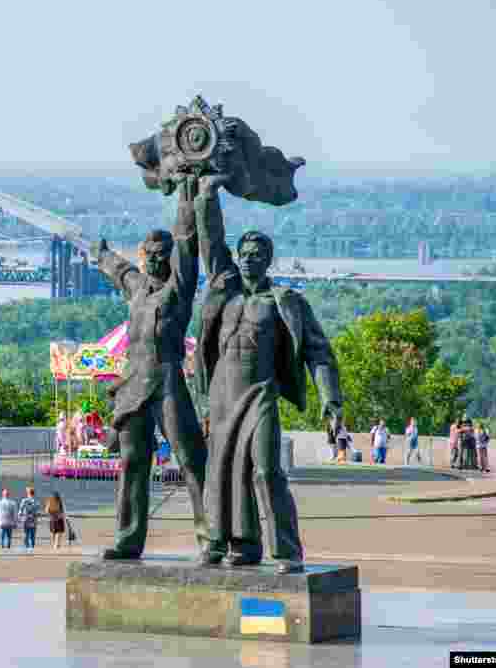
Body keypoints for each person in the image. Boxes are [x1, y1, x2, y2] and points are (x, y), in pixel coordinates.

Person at [193, 172, 342, 574]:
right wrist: (207, 195)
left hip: (260, 394)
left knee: (265, 469)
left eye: (257, 253)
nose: (248, 258)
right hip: (222, 396)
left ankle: (287, 550)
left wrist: (331, 400)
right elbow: (210, 239)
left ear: (267, 259)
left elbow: (319, 352)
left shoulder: (284, 302)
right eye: (244, 252)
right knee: (220, 473)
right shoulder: (226, 289)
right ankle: (232, 544)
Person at [90, 186, 210, 563]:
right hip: (134, 384)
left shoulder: (179, 289)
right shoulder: (138, 288)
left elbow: (189, 243)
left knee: (190, 457)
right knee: (131, 461)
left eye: (163, 255)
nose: (156, 261)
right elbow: (120, 271)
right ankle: (128, 539)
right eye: (151, 256)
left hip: (168, 381)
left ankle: (211, 539)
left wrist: (188, 197)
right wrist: (102, 254)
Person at [18, 486, 41, 552]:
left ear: (28, 493)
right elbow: (38, 511)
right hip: (33, 520)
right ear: (33, 493)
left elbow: (20, 511)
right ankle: (32, 548)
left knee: (26, 534)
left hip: (26, 520)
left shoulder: (24, 500)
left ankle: (27, 548)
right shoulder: (36, 501)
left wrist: (19, 517)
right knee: (32, 535)